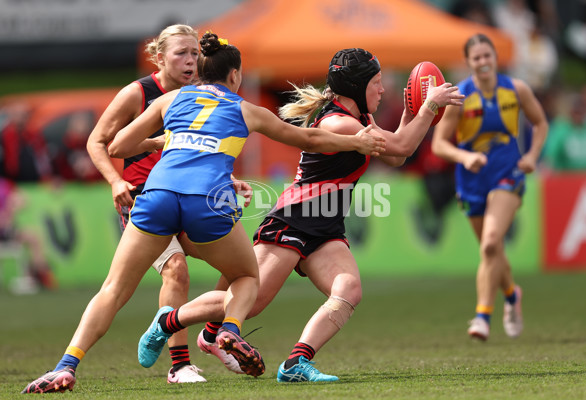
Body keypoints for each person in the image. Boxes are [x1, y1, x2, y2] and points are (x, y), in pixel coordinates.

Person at [21, 32, 385, 394]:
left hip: (157, 196)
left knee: (113, 289)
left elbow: (118, 145)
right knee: (245, 275)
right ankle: (228, 330)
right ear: (235, 76)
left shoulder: (172, 99)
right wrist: (357, 142)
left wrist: (166, 140)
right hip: (205, 201)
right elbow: (309, 140)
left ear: (201, 69)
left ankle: (65, 366)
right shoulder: (246, 109)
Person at [160, 46, 462, 383]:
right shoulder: (340, 122)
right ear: (356, 88)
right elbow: (402, 147)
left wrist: (412, 111)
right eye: (376, 82)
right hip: (294, 219)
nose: (382, 89)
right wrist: (430, 105)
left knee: (348, 290)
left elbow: (395, 156)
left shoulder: (361, 119)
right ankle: (167, 323)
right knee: (253, 301)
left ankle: (295, 364)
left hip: (326, 227)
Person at [85, 24, 210, 383]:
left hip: (188, 197)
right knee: (176, 270)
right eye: (181, 53)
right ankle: (179, 365)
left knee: (245, 266)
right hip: (146, 201)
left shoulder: (200, 93)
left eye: (195, 53)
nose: (191, 61)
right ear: (158, 57)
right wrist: (115, 180)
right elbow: (98, 142)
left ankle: (215, 336)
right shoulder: (137, 93)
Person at [432, 33, 548, 341]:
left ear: (496, 58)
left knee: (490, 243)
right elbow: (439, 144)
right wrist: (464, 156)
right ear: (468, 63)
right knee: (492, 250)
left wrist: (533, 156)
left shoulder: (516, 89)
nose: (483, 62)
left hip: (507, 173)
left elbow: (541, 123)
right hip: (471, 179)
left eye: (487, 56)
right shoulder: (460, 97)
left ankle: (483, 316)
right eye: (476, 58)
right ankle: (512, 294)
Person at [542, 93, 586, 171]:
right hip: (567, 175)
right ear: (571, 112)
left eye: (582, 112)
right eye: (577, 112)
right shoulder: (562, 129)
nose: (579, 116)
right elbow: (551, 153)